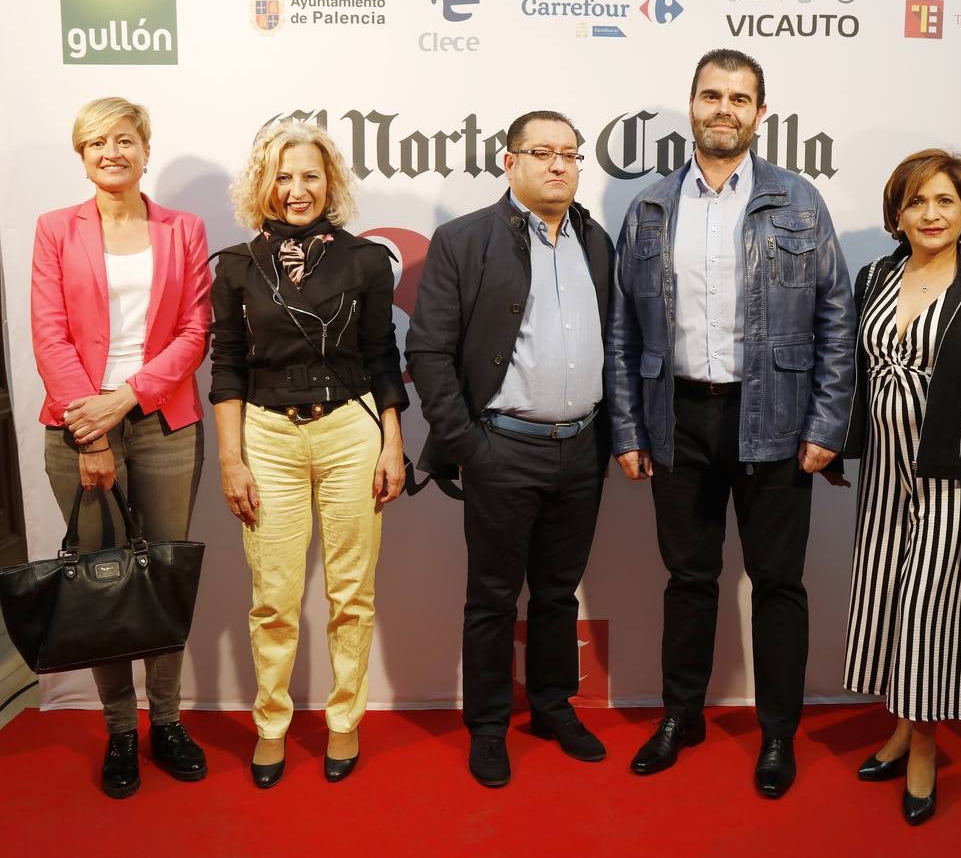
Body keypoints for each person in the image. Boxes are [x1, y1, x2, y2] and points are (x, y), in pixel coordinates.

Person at [606, 49, 855, 798]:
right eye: (711, 95)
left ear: (760, 112)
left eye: (739, 98)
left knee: (778, 583)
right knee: (688, 579)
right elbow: (622, 328)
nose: (724, 109)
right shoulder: (650, 205)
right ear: (691, 106)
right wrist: (626, 428)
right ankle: (680, 716)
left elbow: (836, 320)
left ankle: (777, 734)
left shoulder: (798, 201)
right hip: (676, 415)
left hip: (775, 418)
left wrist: (826, 424)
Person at [407, 110, 614, 788]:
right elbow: (429, 350)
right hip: (503, 449)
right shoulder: (464, 240)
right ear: (509, 161)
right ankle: (489, 725)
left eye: (569, 154)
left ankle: (553, 706)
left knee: (557, 594)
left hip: (580, 450)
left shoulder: (597, 240)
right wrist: (468, 444)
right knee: (493, 597)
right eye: (541, 152)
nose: (558, 165)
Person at [210, 120, 408, 788]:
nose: (297, 190)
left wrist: (392, 444)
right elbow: (227, 367)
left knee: (352, 594)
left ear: (331, 183)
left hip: (351, 431)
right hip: (266, 438)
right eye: (284, 177)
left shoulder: (364, 260)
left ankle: (344, 718)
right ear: (264, 185)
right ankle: (272, 724)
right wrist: (232, 460)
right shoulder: (236, 265)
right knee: (273, 597)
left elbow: (384, 357)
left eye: (310, 176)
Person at [838, 150, 961, 824]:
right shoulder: (872, 278)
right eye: (916, 201)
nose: (930, 214)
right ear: (896, 213)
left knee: (928, 614)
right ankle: (897, 727)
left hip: (952, 480)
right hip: (884, 477)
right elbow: (854, 377)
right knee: (889, 603)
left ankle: (923, 749)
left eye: (944, 201)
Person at [31, 96, 211, 798]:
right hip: (78, 429)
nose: (112, 151)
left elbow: (194, 332)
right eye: (97, 141)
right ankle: (118, 731)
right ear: (81, 154)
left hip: (164, 423)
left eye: (125, 138)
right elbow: (49, 332)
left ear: (145, 149)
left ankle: (166, 721)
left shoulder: (183, 229)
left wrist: (130, 395)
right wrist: (95, 427)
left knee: (161, 578)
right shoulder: (54, 230)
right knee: (104, 582)